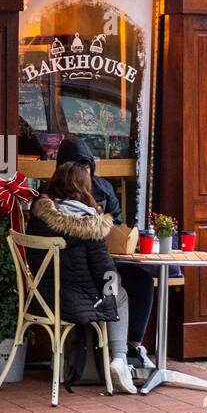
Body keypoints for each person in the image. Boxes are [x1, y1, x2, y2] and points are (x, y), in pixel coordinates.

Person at [27, 160, 136, 394]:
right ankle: (119, 360)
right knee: (120, 291)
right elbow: (103, 271)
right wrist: (113, 281)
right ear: (84, 188)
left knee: (111, 286)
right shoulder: (90, 224)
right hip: (74, 303)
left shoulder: (39, 216)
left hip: (41, 300)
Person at [55, 135, 157, 376]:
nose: (84, 173)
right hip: (80, 276)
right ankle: (119, 358)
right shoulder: (55, 200)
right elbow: (101, 265)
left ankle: (133, 347)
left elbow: (117, 225)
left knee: (141, 279)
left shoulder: (102, 189)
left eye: (87, 166)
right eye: (79, 167)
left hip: (93, 265)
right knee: (116, 287)